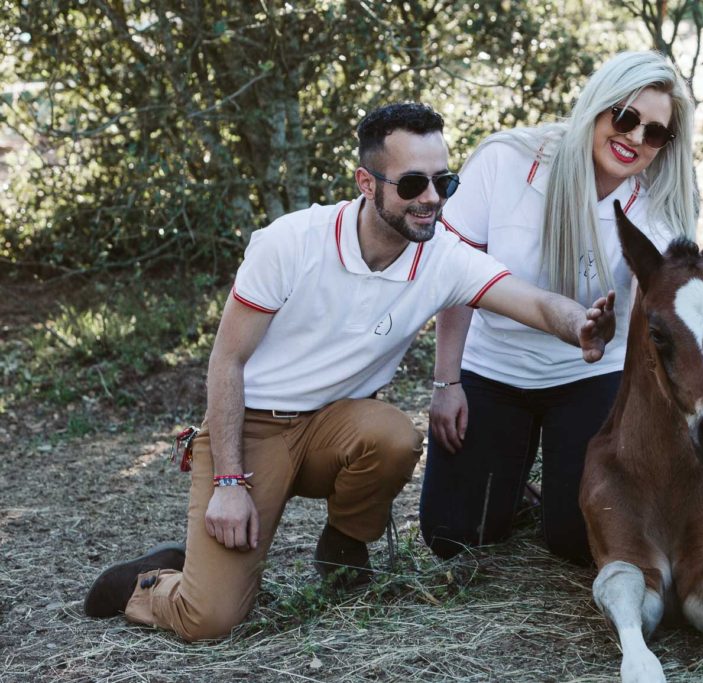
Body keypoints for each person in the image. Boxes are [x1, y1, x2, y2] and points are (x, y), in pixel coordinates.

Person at [82, 102, 616, 642]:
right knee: (211, 621)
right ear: (367, 181)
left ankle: (343, 546)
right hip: (253, 428)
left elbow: (534, 302)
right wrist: (227, 481)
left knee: (394, 436)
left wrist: (581, 326)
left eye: (443, 182)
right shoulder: (290, 243)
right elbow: (227, 362)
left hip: (334, 426)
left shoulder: (443, 257)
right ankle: (147, 583)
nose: (431, 199)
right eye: (412, 184)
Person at [419, 51, 698, 564]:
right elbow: (455, 272)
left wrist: (622, 327)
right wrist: (447, 382)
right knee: (453, 535)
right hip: (493, 365)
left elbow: (665, 318)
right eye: (626, 117)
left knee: (577, 542)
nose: (635, 138)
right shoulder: (505, 161)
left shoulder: (656, 209)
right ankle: (513, 484)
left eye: (655, 133)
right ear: (596, 107)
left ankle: (551, 494)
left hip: (592, 376)